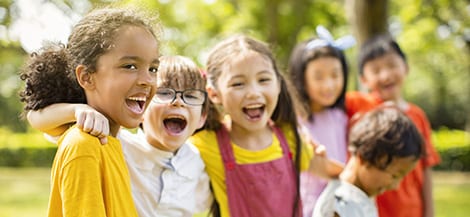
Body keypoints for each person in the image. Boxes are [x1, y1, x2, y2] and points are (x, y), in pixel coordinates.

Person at [26, 56, 213, 217]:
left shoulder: (197, 162)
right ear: (140, 108)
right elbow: (36, 119)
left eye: (191, 96)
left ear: (202, 118)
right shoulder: (115, 143)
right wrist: (76, 110)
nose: (178, 102)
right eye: (164, 93)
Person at [19, 7, 160, 217]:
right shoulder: (84, 146)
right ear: (86, 77)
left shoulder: (111, 140)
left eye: (153, 69)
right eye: (129, 66)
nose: (147, 80)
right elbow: (35, 116)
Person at [190, 35, 344, 217]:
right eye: (238, 84)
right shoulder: (205, 145)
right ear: (214, 94)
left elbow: (334, 172)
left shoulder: (290, 137)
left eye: (263, 80)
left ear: (278, 84)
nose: (254, 93)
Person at [345, 34, 441, 217]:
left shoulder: (418, 116)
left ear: (406, 67)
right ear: (364, 79)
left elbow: (426, 168)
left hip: (411, 210)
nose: (386, 75)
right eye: (376, 70)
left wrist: (430, 212)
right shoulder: (359, 104)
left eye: (391, 65)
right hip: (370, 209)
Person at [288, 25, 355, 217]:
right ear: (302, 78)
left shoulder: (341, 118)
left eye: (335, 75)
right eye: (318, 77)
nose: (329, 85)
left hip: (339, 208)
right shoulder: (295, 122)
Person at [313, 106, 424, 217]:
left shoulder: (360, 195)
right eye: (394, 176)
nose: (395, 186)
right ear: (364, 158)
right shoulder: (340, 204)